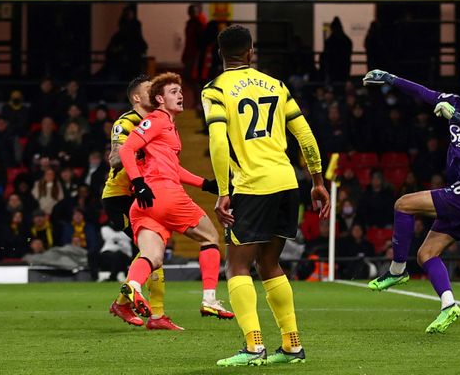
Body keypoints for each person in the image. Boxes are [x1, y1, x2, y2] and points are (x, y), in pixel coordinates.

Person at [202, 25, 330, 366]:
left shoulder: (214, 90)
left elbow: (217, 142)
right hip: (287, 183)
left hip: (251, 185)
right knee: (269, 262)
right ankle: (291, 345)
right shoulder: (276, 85)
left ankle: (254, 346)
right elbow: (305, 134)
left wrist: (223, 192)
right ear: (250, 51)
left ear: (219, 54)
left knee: (237, 265)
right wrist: (317, 180)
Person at [362, 63, 460, 333]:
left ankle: (396, 270)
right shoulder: (453, 102)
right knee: (427, 254)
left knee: (403, 204)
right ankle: (448, 305)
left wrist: (457, 118)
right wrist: (391, 78)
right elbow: (422, 92)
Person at [117, 72, 232, 327]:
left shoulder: (168, 126)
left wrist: (205, 184)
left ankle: (133, 286)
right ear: (159, 98)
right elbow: (126, 148)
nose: (179, 95)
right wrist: (138, 182)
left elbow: (174, 168)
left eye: (180, 91)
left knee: (152, 256)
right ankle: (210, 299)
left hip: (144, 204)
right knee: (210, 237)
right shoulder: (157, 120)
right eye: (173, 92)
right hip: (163, 193)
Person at [102, 75, 180, 330]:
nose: (157, 92)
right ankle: (151, 314)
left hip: (144, 195)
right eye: (150, 89)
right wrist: (138, 148)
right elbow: (115, 159)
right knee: (150, 253)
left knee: (153, 253)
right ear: (137, 97)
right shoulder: (126, 122)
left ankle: (137, 308)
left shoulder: (158, 122)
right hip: (120, 196)